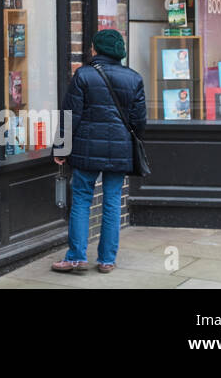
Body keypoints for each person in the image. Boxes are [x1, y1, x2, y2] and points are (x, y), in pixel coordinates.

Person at [52, 29, 146, 273]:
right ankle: (106, 260)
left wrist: (61, 148)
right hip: (119, 150)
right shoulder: (134, 78)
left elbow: (69, 115)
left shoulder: (83, 75)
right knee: (113, 201)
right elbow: (139, 122)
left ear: (96, 49)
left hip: (86, 149)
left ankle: (76, 257)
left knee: (82, 199)